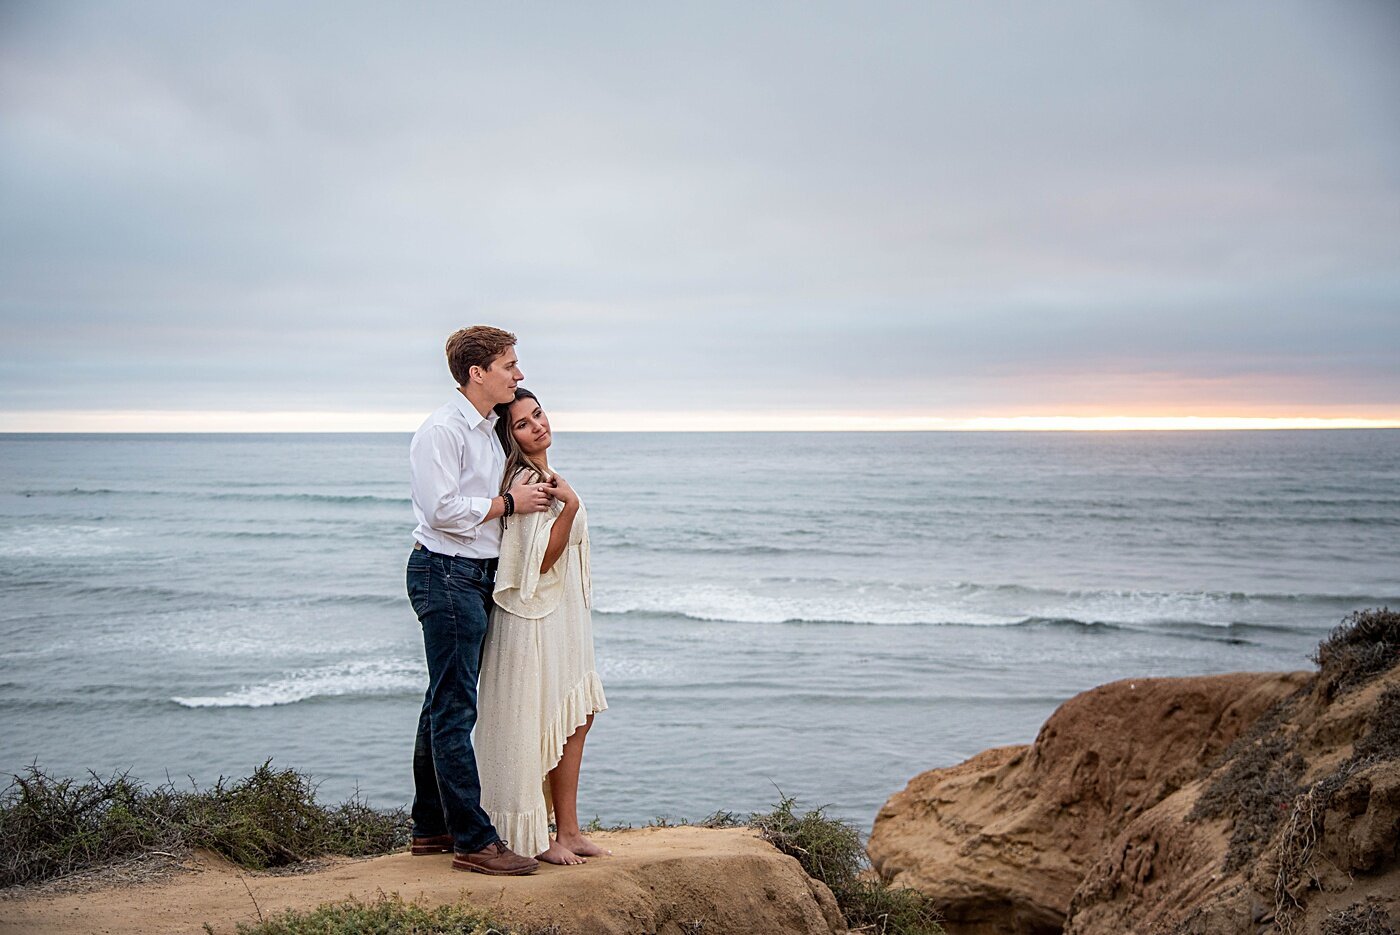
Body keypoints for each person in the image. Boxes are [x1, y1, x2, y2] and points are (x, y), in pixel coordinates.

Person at [405, 326, 557, 875]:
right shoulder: (442, 431)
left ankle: (432, 827)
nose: (518, 374)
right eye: (509, 365)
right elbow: (442, 509)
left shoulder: (487, 429)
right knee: (454, 709)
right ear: (478, 373)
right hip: (445, 573)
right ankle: (474, 841)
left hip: (469, 575)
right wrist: (509, 503)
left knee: (441, 701)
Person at [476, 388, 609, 865]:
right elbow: (538, 562)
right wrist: (569, 508)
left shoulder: (546, 474)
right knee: (534, 719)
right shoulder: (527, 480)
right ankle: (535, 834)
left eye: (537, 415)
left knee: (576, 714)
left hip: (562, 612)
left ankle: (569, 830)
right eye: (522, 424)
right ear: (509, 437)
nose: (537, 425)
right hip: (533, 616)